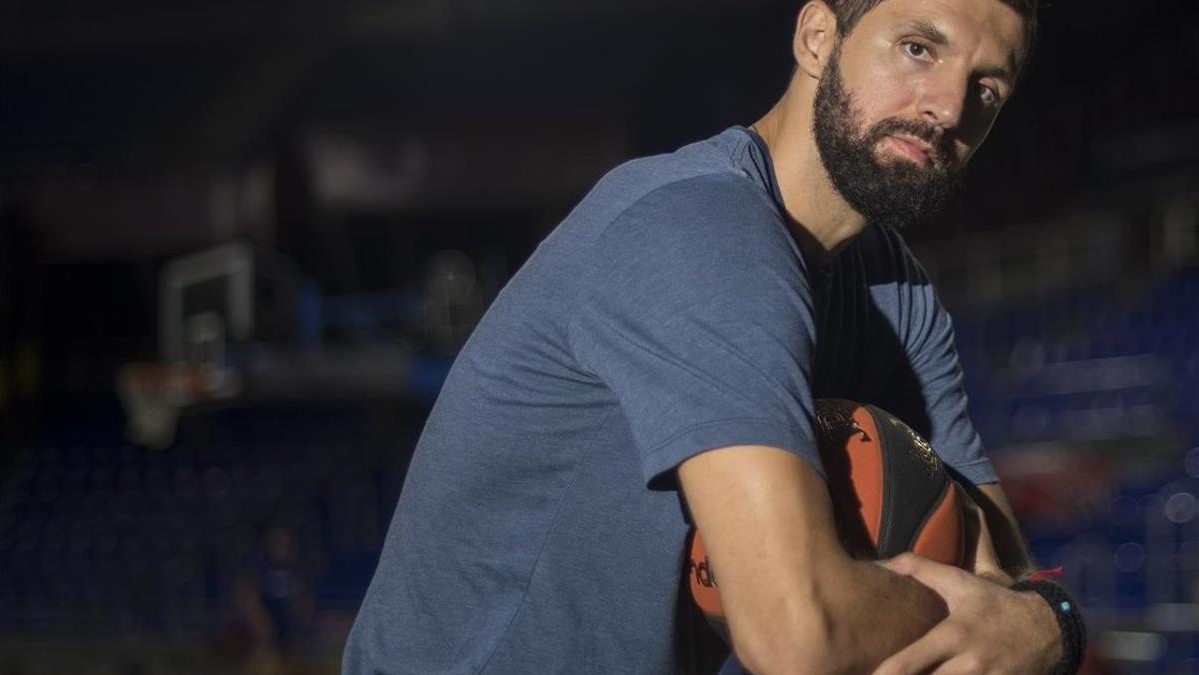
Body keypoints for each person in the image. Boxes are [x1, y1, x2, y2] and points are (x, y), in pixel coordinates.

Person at [344, 0, 1083, 673]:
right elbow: (799, 634)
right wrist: (1009, 623)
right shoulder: (696, 231)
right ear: (818, 37)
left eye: (987, 89)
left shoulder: (897, 288)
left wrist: (1051, 621)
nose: (949, 107)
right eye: (919, 49)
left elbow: (1006, 574)